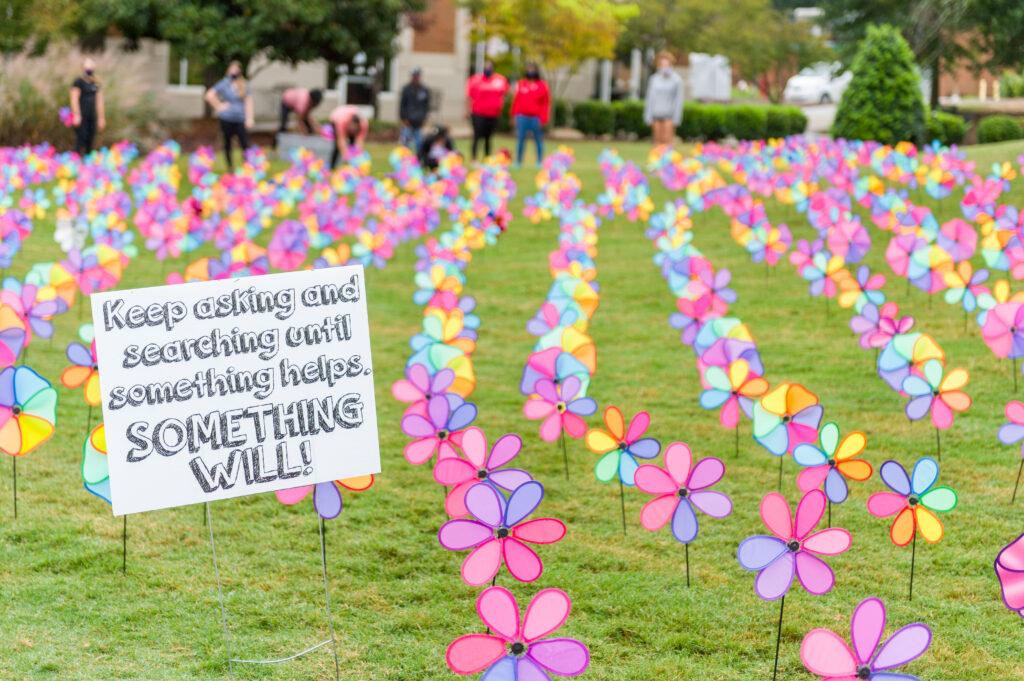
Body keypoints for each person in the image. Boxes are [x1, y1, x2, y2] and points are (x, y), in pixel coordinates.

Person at [204, 61, 254, 172]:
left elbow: (248, 102)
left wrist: (249, 118)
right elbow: (209, 95)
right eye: (232, 69)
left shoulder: (244, 84)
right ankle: (230, 167)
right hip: (226, 119)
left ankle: (248, 166)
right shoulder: (224, 83)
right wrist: (219, 106)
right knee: (227, 143)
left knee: (245, 143)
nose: (233, 72)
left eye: (236, 70)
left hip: (240, 119)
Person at [465, 60, 509, 160]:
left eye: (490, 66)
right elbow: (469, 96)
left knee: (488, 138)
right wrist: (467, 111)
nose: (488, 68)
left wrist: (500, 104)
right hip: (478, 113)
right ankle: (474, 158)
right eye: (486, 66)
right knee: (477, 136)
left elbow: (506, 92)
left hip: (493, 114)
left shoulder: (499, 79)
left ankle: (487, 158)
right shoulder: (475, 80)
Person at [510, 62, 550, 167]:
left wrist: (544, 118)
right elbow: (516, 101)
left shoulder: (542, 86)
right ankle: (518, 161)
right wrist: (514, 115)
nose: (530, 71)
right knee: (520, 139)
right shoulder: (520, 84)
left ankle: (539, 161)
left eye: (532, 69)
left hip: (536, 117)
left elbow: (545, 103)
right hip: (522, 116)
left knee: (539, 140)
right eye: (528, 69)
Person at [643, 52, 685, 147]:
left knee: (667, 140)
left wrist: (677, 118)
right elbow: (650, 98)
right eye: (662, 65)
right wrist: (648, 115)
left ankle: (669, 161)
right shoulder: (654, 79)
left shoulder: (676, 80)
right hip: (656, 114)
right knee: (657, 141)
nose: (664, 67)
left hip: (669, 115)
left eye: (666, 65)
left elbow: (678, 100)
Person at [70, 58, 105, 156]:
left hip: (91, 115)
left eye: (91, 68)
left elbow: (99, 101)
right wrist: (76, 115)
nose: (89, 70)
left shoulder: (95, 83)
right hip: (82, 115)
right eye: (87, 68)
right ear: (83, 68)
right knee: (82, 137)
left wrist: (101, 118)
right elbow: (74, 99)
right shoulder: (78, 82)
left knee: (90, 138)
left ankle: (88, 163)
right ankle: (75, 159)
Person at [399, 68, 431, 151]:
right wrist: (404, 118)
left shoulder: (424, 90)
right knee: (406, 141)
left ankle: (419, 159)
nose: (415, 78)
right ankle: (405, 158)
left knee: (419, 141)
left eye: (417, 76)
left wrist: (424, 118)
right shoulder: (406, 89)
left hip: (419, 120)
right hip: (408, 120)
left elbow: (426, 106)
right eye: (414, 76)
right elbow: (402, 105)